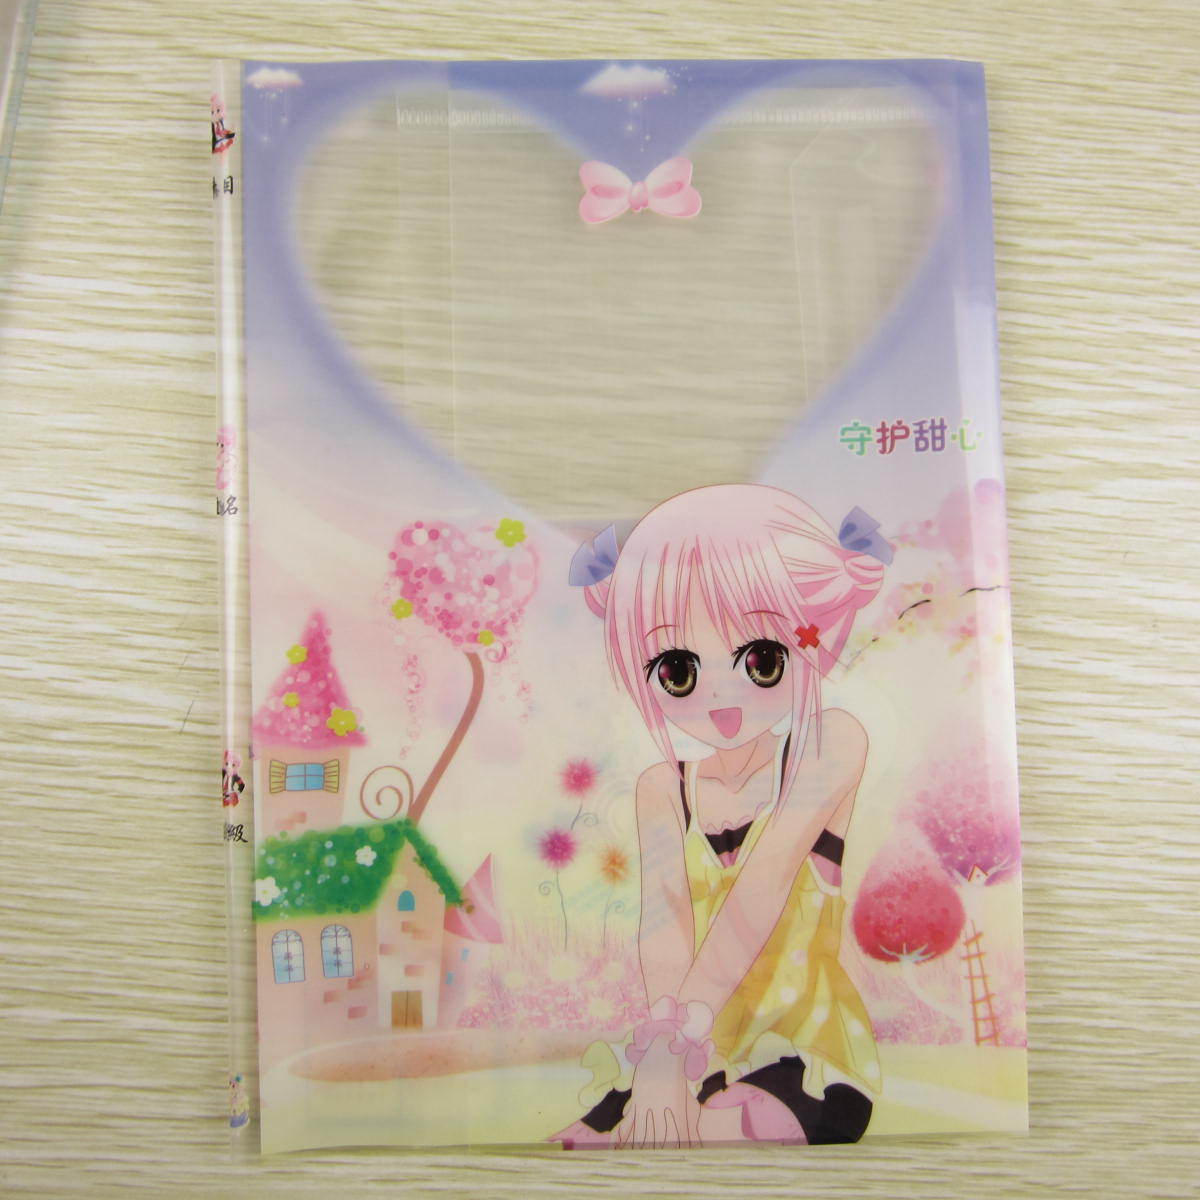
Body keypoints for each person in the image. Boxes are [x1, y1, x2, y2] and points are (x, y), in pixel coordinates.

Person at [554, 484, 890, 1148]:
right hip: (692, 1052)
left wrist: (679, 1044)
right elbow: (664, 928)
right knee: (582, 1146)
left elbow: (761, 890)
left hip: (802, 1054)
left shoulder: (827, 745)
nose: (721, 698)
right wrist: (663, 1055)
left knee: (706, 1133)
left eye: (761, 660)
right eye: (678, 670)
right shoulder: (662, 788)